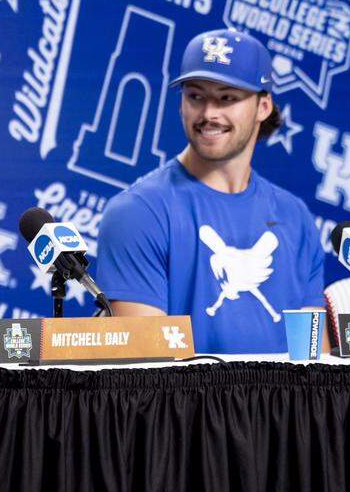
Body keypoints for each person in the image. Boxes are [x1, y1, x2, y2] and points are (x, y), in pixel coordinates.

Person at [92, 28, 326, 353]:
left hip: (286, 404)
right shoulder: (137, 212)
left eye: (227, 97)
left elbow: (314, 356)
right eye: (195, 96)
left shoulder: (294, 217)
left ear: (263, 107)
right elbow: (145, 370)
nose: (208, 114)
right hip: (183, 404)